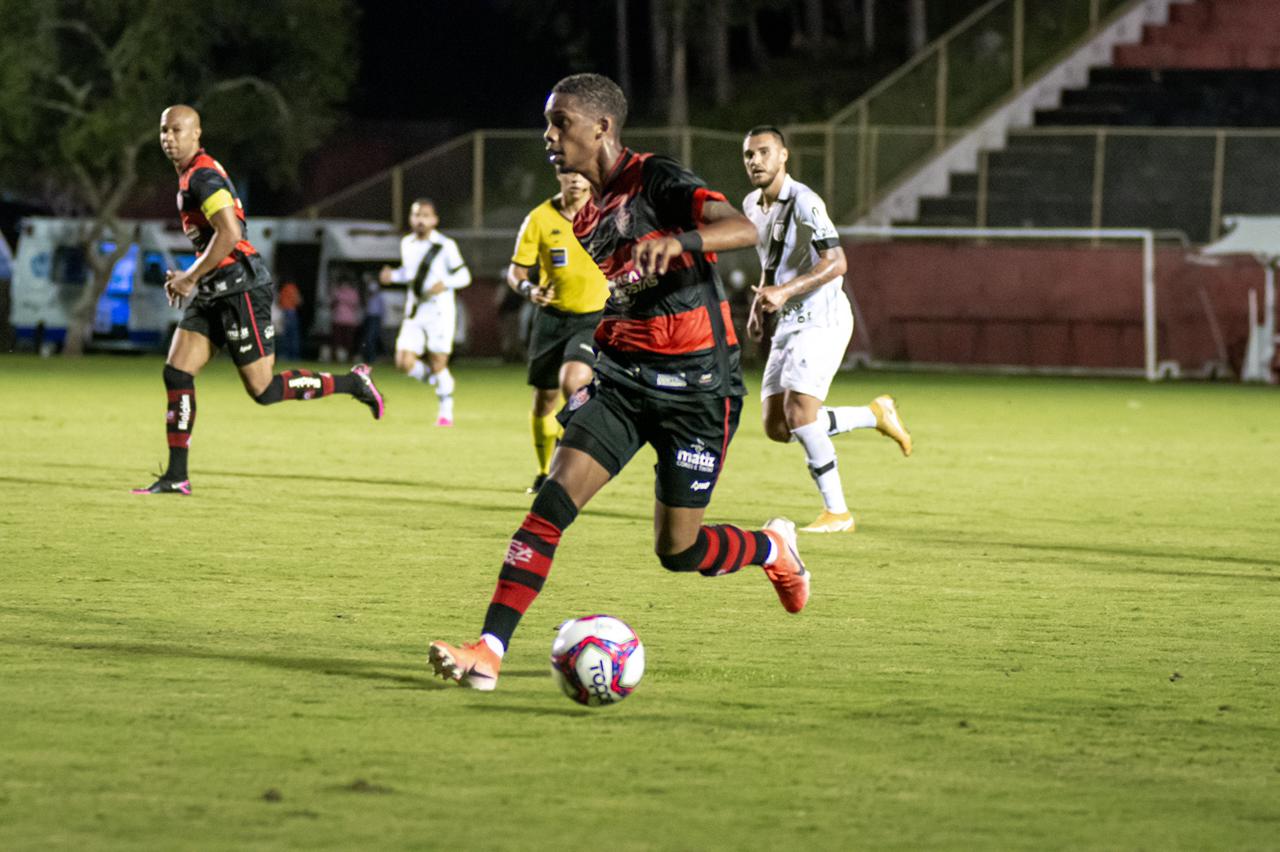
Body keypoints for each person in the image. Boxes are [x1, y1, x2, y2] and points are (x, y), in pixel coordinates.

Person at [428, 74, 810, 692]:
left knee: (678, 551)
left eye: (561, 123)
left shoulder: (656, 177)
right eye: (549, 123)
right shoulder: (581, 214)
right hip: (626, 383)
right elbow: (629, 288)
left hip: (700, 392)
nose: (550, 137)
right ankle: (488, 650)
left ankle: (773, 549)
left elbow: (744, 228)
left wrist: (678, 240)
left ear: (602, 128)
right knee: (549, 506)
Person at [133, 105, 384, 496]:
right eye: (164, 130)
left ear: (197, 133)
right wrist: (192, 277)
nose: (169, 138)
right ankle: (176, 476)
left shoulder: (201, 176)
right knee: (177, 371)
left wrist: (190, 276)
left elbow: (231, 232)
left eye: (177, 130)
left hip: (240, 286)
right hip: (215, 286)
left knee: (263, 390)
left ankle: (353, 382)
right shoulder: (189, 175)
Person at [741, 125, 912, 533]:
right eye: (748, 155)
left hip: (823, 316)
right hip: (788, 316)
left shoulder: (805, 201)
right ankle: (875, 414)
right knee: (777, 427)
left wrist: (785, 291)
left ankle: (838, 512)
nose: (755, 161)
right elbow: (771, 258)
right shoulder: (751, 204)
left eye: (764, 152)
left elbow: (837, 262)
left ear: (784, 157)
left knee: (800, 413)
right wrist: (759, 305)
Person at [506, 169, 609, 494]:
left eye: (582, 174)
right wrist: (528, 289)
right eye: (569, 173)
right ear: (558, 175)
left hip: (593, 317)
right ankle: (543, 472)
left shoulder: (605, 213)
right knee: (543, 399)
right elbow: (516, 270)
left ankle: (571, 441)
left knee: (573, 381)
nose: (576, 179)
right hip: (551, 320)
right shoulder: (538, 218)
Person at [380, 199, 470, 426]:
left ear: (434, 220)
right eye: (416, 215)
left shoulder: (445, 245)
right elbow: (410, 274)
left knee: (438, 361)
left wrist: (445, 283)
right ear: (411, 218)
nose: (420, 220)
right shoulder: (407, 243)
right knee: (402, 361)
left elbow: (464, 276)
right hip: (415, 310)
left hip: (439, 312)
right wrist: (394, 276)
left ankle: (445, 412)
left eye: (425, 215)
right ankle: (437, 381)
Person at [329, 274, 362, 363]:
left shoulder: (346, 292)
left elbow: (355, 304)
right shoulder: (339, 292)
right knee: (341, 341)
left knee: (344, 341)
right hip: (342, 319)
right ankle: (339, 358)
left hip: (345, 320)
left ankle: (345, 358)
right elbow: (332, 304)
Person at [359, 277, 385, 363]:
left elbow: (382, 310)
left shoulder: (379, 296)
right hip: (368, 318)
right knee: (367, 338)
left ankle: (372, 357)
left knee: (371, 338)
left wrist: (382, 320)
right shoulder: (368, 297)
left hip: (375, 318)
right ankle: (367, 357)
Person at [277, 279, 303, 360]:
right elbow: (298, 301)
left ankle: (285, 355)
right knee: (293, 336)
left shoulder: (284, 288)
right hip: (291, 312)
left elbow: (279, 300)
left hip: (284, 312)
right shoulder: (293, 288)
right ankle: (294, 356)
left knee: (285, 335)